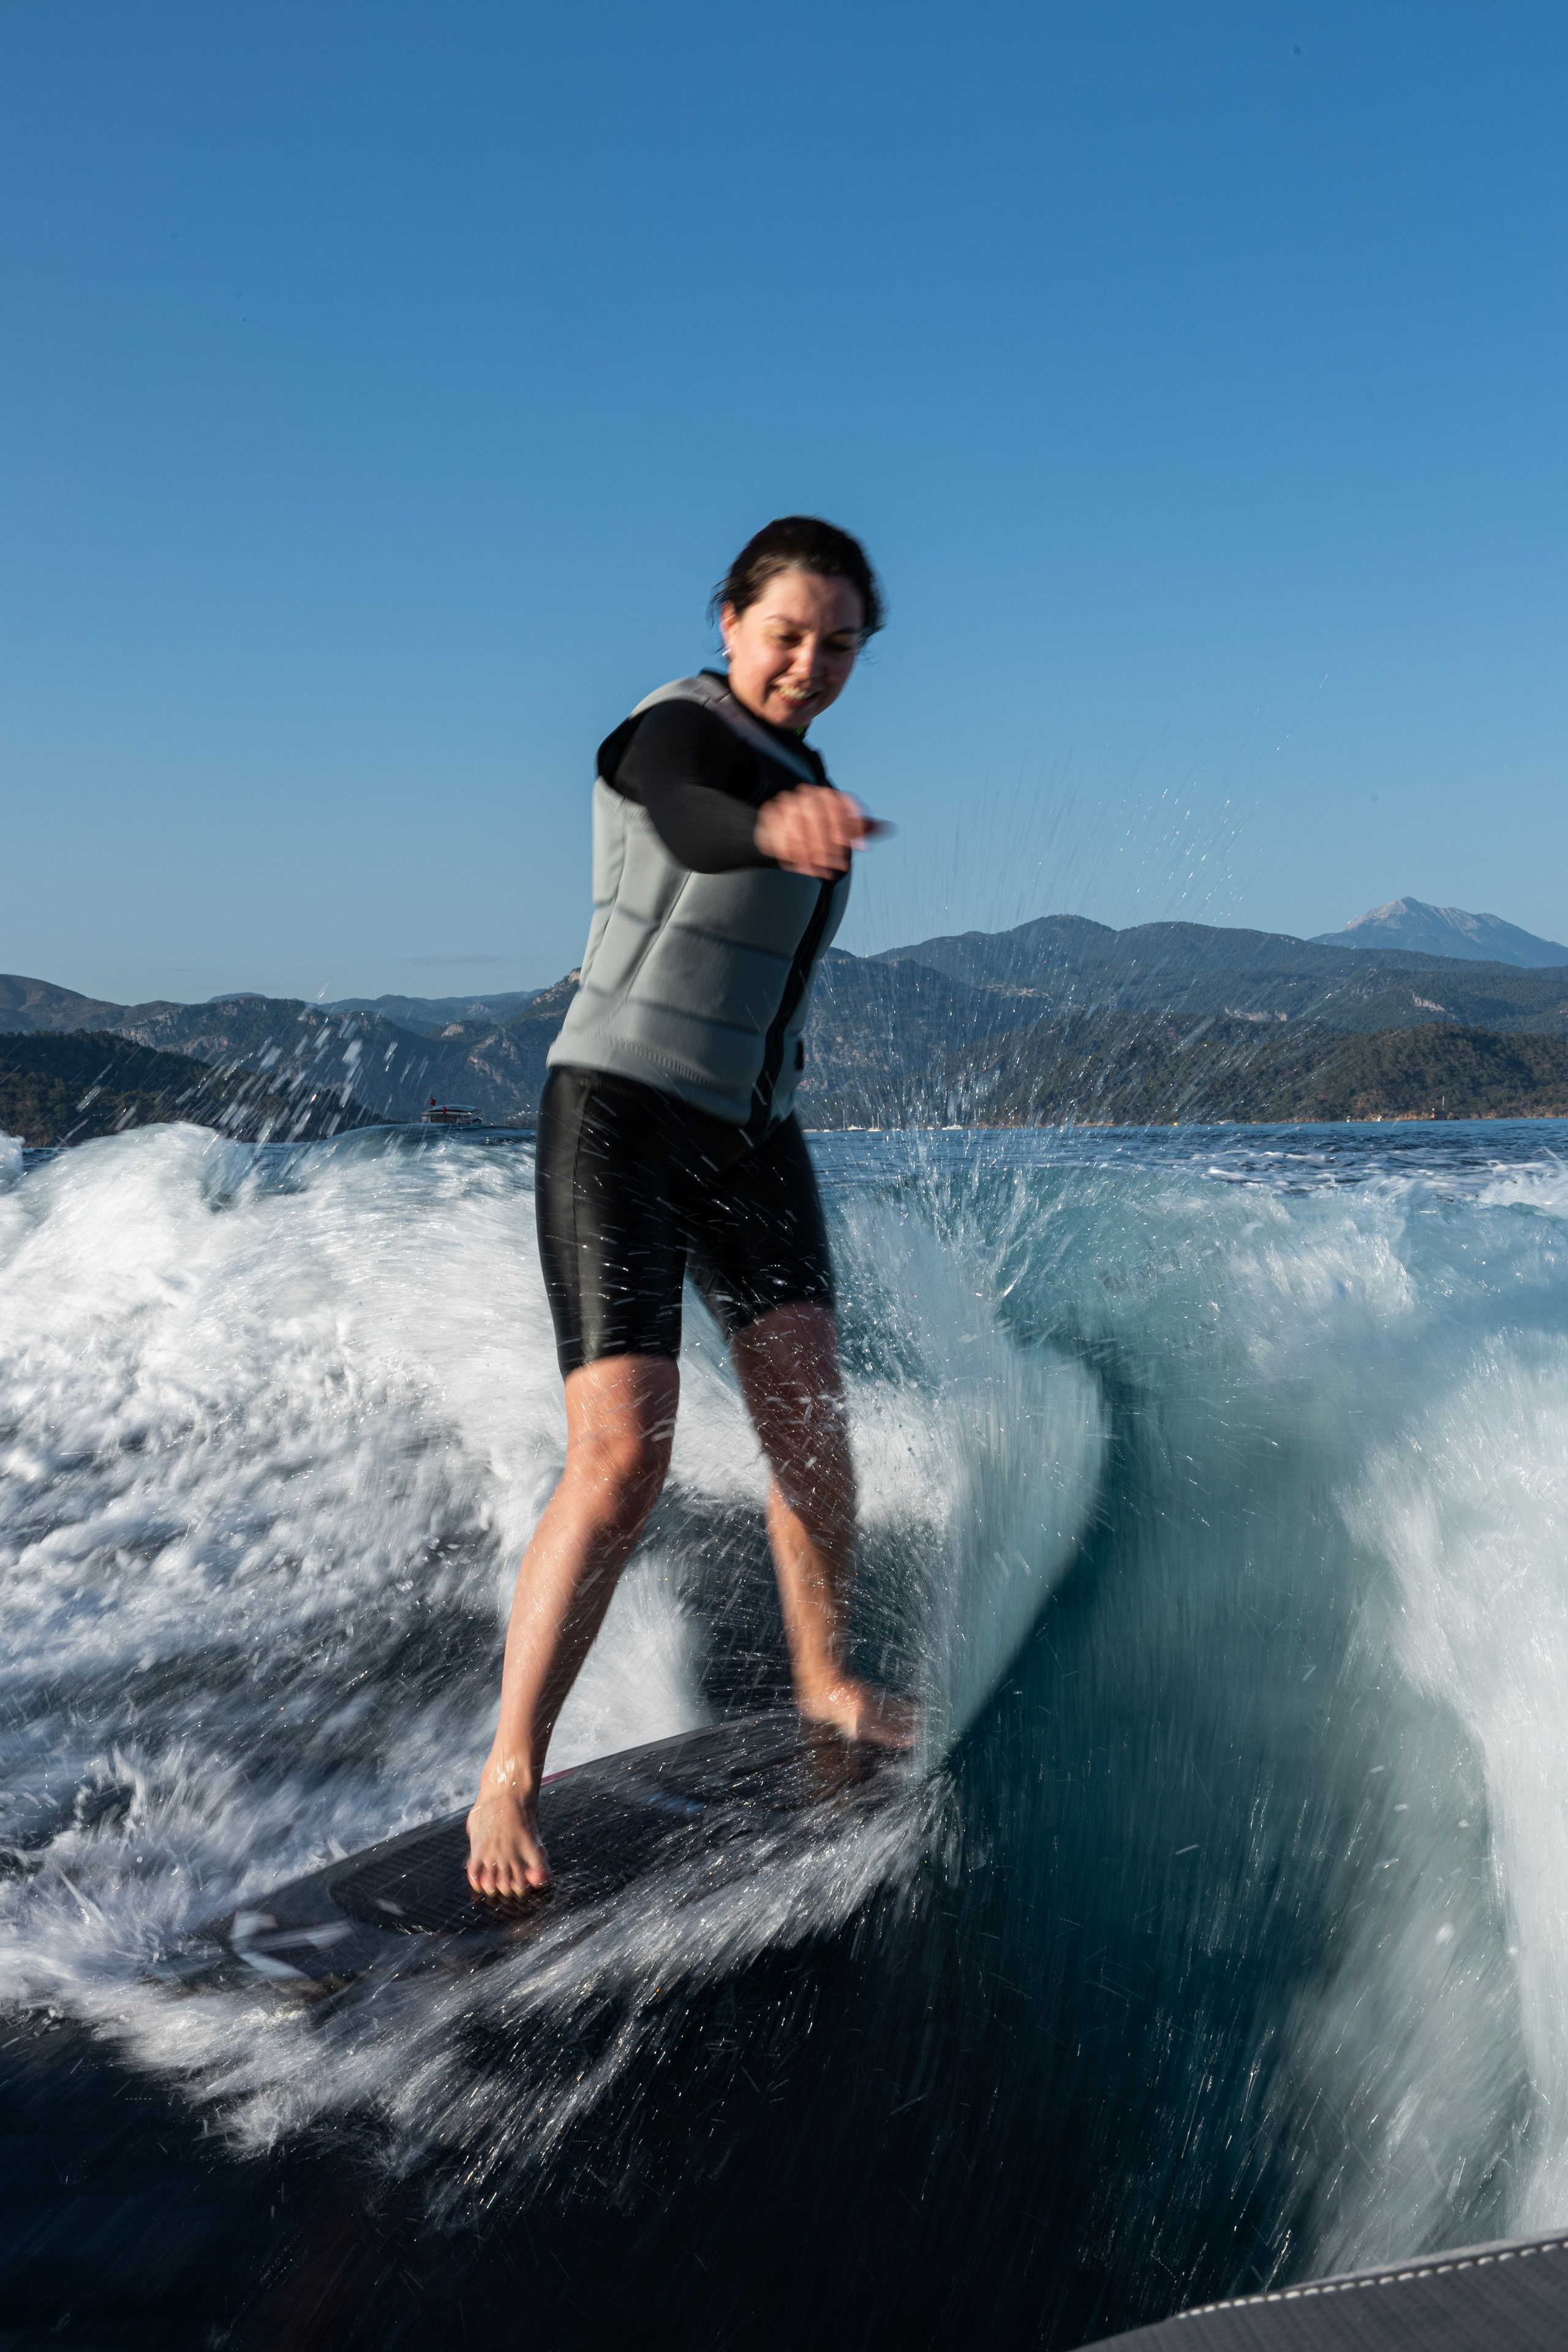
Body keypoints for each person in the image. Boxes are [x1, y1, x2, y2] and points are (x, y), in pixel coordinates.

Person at [466, 516, 914, 1899]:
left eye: (836, 644)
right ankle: (508, 1771)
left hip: (751, 1137)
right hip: (616, 1114)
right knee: (621, 1461)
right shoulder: (670, 727)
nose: (808, 662)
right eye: (786, 633)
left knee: (811, 1418)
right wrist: (764, 825)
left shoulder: (814, 772)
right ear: (728, 621)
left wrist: (793, 807)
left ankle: (825, 1676)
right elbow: (684, 814)